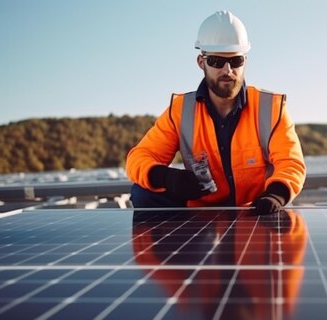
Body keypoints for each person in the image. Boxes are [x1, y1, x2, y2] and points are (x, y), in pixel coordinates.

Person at [126, 10, 306, 214]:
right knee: (142, 192)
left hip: (258, 208)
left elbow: (290, 163)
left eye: (236, 61)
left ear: (245, 61)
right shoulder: (180, 110)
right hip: (201, 211)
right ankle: (176, 245)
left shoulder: (271, 107)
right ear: (201, 62)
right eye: (217, 62)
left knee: (281, 203)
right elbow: (139, 157)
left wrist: (276, 195)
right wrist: (167, 177)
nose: (227, 70)